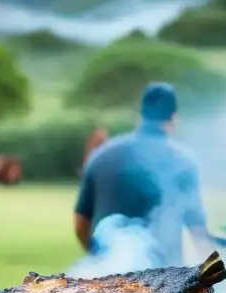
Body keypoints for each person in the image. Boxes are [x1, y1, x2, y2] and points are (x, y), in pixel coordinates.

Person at [74, 83, 209, 267]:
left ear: (140, 117)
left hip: (106, 277)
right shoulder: (183, 161)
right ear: (174, 119)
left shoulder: (101, 156)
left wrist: (97, 256)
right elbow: (198, 233)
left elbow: (80, 222)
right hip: (167, 283)